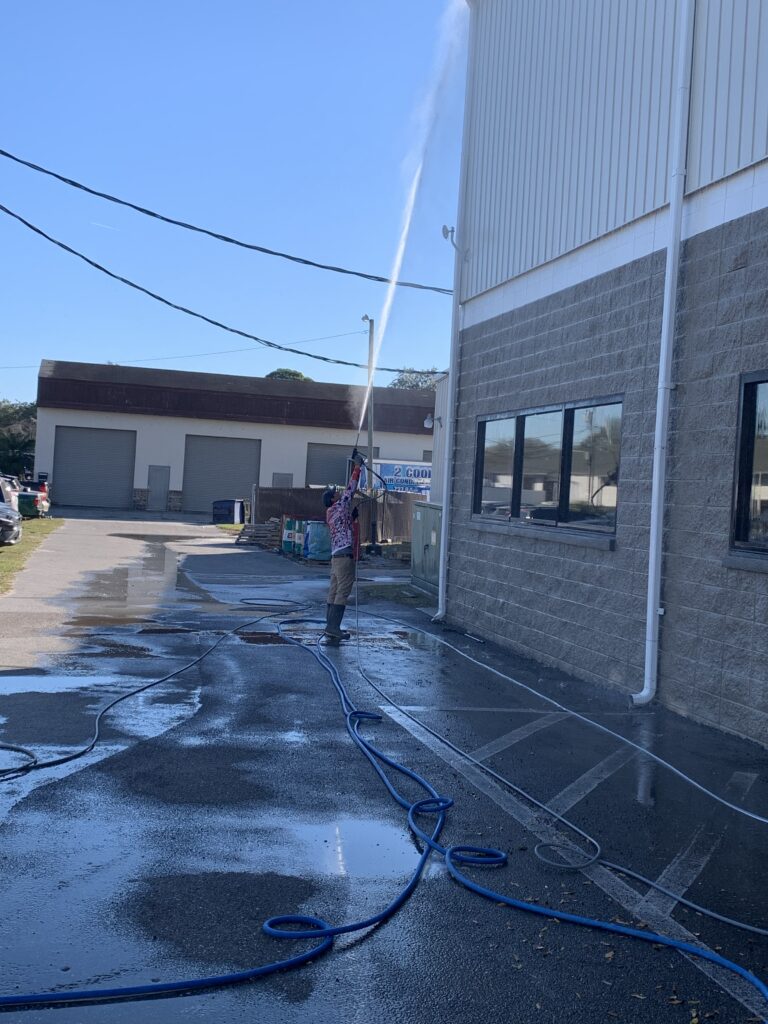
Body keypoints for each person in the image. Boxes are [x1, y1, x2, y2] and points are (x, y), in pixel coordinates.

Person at [322, 451, 364, 641]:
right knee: (343, 591)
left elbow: (342, 525)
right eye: (335, 493)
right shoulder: (340, 505)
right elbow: (351, 488)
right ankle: (334, 627)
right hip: (344, 557)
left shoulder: (332, 513)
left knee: (334, 589)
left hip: (335, 557)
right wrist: (357, 467)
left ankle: (329, 625)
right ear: (332, 499)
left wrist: (352, 517)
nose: (338, 492)